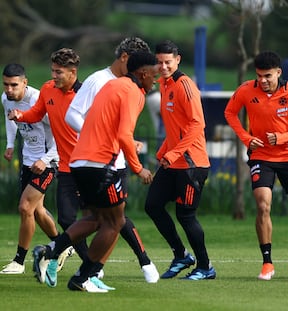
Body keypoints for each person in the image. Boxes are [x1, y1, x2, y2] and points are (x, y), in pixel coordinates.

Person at [30, 51, 157, 293]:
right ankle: (83, 277)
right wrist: (138, 168)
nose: (155, 81)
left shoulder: (112, 85)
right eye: (154, 76)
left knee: (97, 219)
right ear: (143, 74)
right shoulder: (134, 92)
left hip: (78, 161)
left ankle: (51, 250)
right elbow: (123, 135)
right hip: (100, 164)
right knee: (116, 221)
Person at [224, 51, 288, 281]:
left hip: (287, 157)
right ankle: (267, 263)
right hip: (260, 157)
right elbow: (230, 113)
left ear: (279, 73)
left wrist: (282, 138)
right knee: (263, 206)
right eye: (259, 75)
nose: (262, 80)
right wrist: (246, 137)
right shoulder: (245, 90)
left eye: (268, 76)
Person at [65, 37, 159, 283]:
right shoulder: (99, 80)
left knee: (109, 219)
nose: (153, 76)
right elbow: (72, 114)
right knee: (112, 220)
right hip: (100, 161)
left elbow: (119, 128)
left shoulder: (124, 85)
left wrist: (120, 141)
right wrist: (99, 136)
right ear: (128, 59)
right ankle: (88, 271)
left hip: (112, 160)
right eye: (150, 71)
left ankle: (89, 268)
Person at [7, 48, 91, 284]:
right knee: (62, 217)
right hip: (64, 166)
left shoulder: (85, 95)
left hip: (83, 164)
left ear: (73, 72)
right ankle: (76, 256)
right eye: (52, 70)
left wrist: (45, 159)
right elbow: (36, 113)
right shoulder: (47, 89)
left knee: (105, 218)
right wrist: (20, 117)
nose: (53, 75)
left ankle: (24, 259)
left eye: (58, 72)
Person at [144, 40, 216, 281]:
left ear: (178, 60)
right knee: (152, 205)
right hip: (174, 161)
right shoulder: (164, 84)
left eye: (168, 62)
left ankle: (205, 267)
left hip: (192, 164)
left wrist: (173, 153)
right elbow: (176, 127)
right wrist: (164, 149)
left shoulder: (185, 85)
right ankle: (181, 255)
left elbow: (197, 125)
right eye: (159, 62)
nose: (163, 66)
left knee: (186, 216)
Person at [0, 64, 72, 274]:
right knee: (37, 210)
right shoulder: (7, 98)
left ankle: (19, 261)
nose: (9, 89)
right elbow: (10, 119)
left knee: (25, 207)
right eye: (5, 84)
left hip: (48, 161)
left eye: (14, 85)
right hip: (28, 161)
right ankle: (63, 245)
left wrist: (47, 158)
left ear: (25, 82)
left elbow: (63, 134)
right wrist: (10, 144)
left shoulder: (41, 101)